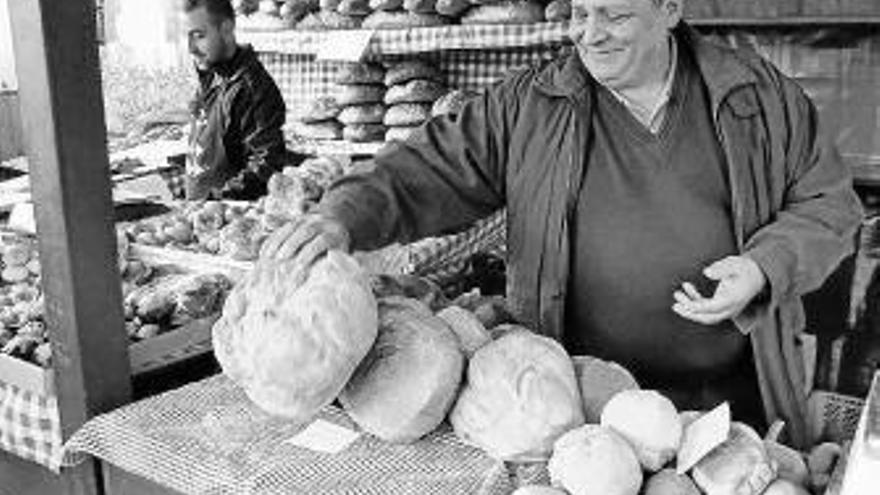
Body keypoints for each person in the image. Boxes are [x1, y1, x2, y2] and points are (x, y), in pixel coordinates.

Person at [260, 0, 863, 448]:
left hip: (735, 410)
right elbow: (428, 167)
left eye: (616, 15)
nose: (590, 34)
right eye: (579, 12)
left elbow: (829, 204)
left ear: (670, 10)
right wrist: (344, 216)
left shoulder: (758, 97)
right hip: (571, 408)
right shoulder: (533, 102)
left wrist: (765, 266)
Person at [182, 0, 290, 200]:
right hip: (197, 213)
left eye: (199, 36)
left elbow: (265, 165)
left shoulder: (252, 87)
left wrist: (217, 199)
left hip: (228, 219)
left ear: (226, 29)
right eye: (187, 37)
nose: (191, 48)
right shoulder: (212, 73)